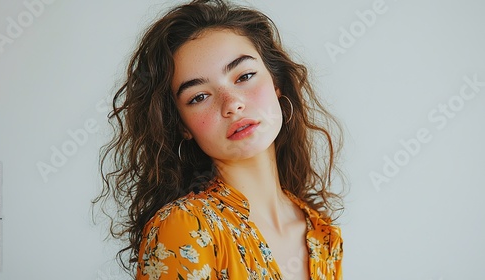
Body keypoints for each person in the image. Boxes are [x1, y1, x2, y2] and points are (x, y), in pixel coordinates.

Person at [94, 0, 345, 279]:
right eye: (199, 97)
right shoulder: (185, 228)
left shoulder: (322, 233)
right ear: (182, 126)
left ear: (277, 84)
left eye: (245, 76)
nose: (232, 104)